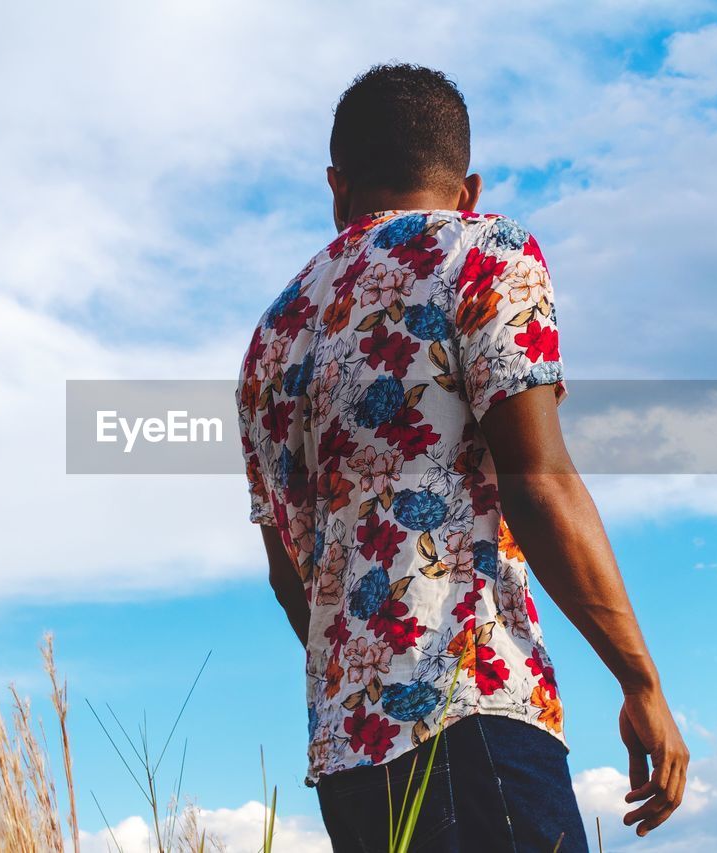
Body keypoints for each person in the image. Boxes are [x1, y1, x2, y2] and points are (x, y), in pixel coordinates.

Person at [235, 64, 688, 852]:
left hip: (349, 754)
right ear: (467, 188)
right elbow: (537, 479)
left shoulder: (270, 341)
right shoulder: (484, 253)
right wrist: (639, 681)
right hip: (475, 711)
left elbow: (288, 574)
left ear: (337, 188)